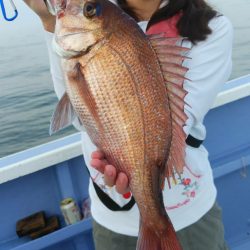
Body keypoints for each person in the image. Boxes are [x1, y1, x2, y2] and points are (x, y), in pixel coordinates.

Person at [24, 0, 233, 249]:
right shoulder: (101, 10)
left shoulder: (211, 26)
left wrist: (137, 171)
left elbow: (178, 124)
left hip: (189, 213)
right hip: (110, 216)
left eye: (88, 9)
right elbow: (80, 119)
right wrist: (50, 22)